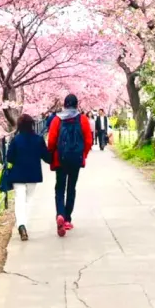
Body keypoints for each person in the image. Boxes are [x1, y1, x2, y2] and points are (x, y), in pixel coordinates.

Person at [47, 93, 93, 236]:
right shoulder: (83, 119)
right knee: (71, 187)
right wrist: (82, 154)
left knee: (60, 187)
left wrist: (52, 153)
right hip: (75, 159)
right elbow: (88, 141)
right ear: (76, 104)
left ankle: (60, 213)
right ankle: (67, 219)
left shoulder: (57, 119)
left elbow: (51, 141)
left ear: (65, 104)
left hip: (60, 159)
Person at [6, 113, 51, 241]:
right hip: (33, 174)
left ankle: (21, 225)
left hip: (18, 174)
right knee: (28, 200)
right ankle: (23, 223)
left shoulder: (15, 140)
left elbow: (9, 158)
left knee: (19, 199)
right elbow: (46, 157)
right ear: (32, 124)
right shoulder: (38, 139)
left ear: (19, 125)